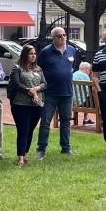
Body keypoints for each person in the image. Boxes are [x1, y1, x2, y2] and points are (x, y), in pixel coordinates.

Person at [35, 27, 78, 158]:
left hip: (67, 92)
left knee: (65, 121)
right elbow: (38, 70)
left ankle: (66, 148)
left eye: (64, 35)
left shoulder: (71, 50)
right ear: (53, 38)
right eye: (59, 36)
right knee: (45, 122)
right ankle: (41, 149)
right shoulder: (45, 52)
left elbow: (73, 67)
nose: (63, 38)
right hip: (50, 93)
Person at [7, 44, 44, 167]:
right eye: (30, 53)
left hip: (36, 104)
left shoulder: (38, 69)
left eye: (34, 54)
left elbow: (45, 83)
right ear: (25, 55)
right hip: (20, 104)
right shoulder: (16, 68)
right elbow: (16, 84)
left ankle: (26, 153)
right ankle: (20, 158)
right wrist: (30, 91)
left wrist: (36, 89)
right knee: (23, 130)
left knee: (30, 130)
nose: (33, 56)